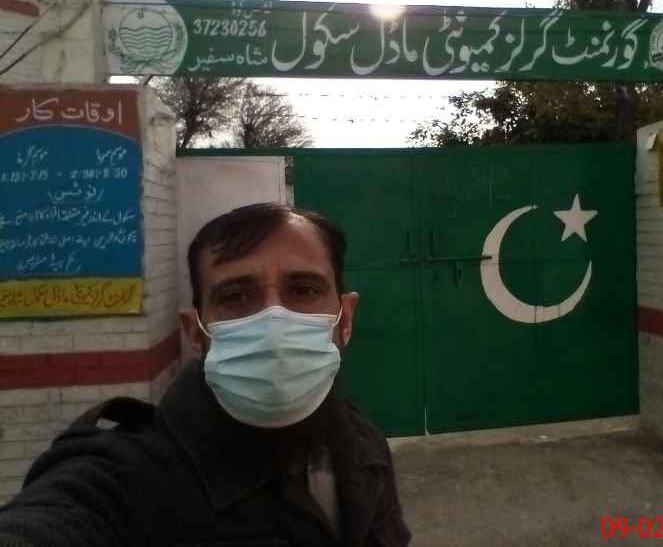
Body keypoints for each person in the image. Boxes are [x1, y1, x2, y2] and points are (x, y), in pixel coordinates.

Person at [0, 203, 412, 547]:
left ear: (345, 318)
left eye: (303, 290)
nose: (273, 321)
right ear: (195, 332)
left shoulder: (365, 445)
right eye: (235, 296)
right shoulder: (123, 480)